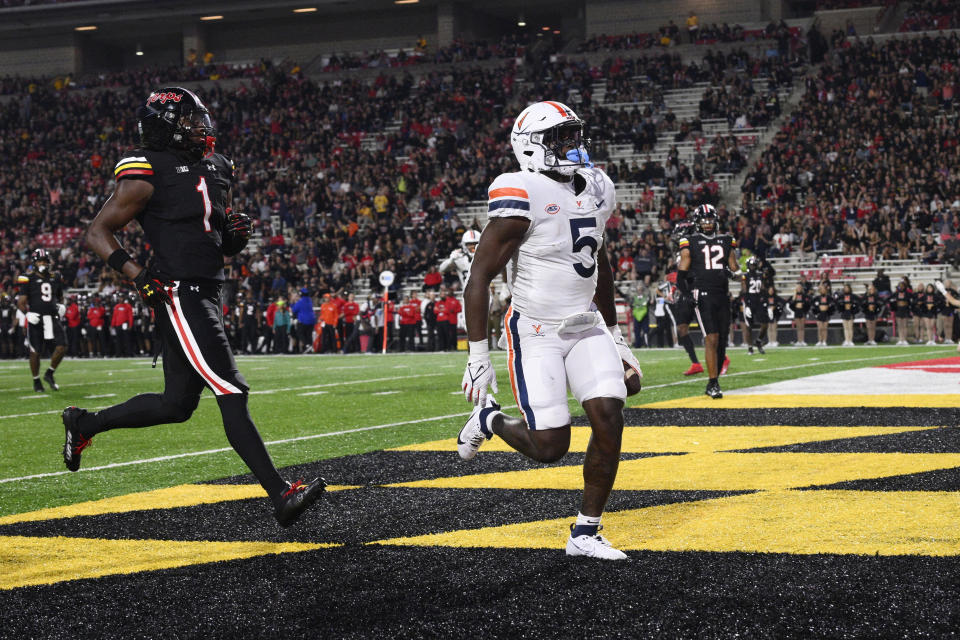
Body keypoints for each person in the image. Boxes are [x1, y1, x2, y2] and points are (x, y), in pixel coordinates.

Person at [63, 86, 325, 527]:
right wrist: (138, 275)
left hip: (204, 289)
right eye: (188, 119)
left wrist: (233, 240)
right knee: (231, 388)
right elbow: (97, 233)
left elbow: (213, 239)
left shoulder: (216, 166)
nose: (200, 127)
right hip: (179, 291)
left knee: (176, 405)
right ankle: (280, 494)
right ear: (166, 124)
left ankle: (84, 424)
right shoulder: (148, 167)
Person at [457, 100, 640, 560]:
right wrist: (478, 356)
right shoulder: (521, 192)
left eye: (574, 135)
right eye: (560, 138)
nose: (572, 146)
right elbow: (478, 276)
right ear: (530, 147)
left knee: (609, 416)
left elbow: (596, 260)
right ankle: (490, 419)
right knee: (550, 446)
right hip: (536, 329)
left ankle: (586, 532)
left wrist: (617, 336)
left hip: (587, 323)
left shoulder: (598, 186)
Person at [677, 204, 737, 399]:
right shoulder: (689, 241)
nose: (707, 224)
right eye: (704, 220)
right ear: (697, 222)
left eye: (710, 220)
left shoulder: (727, 239)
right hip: (702, 293)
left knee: (722, 342)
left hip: (722, 294)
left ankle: (714, 380)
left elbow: (734, 267)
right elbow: (682, 271)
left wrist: (735, 273)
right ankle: (713, 383)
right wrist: (686, 293)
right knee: (711, 338)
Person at [17, 248, 67, 392]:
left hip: (52, 318)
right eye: (40, 261)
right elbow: (21, 302)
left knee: (62, 346)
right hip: (36, 320)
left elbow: (60, 296)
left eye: (45, 261)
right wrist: (27, 314)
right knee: (35, 351)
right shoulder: (28, 278)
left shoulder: (55, 277)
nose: (43, 263)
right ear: (34, 262)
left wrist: (61, 306)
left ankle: (49, 373)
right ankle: (36, 380)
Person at [667, 221, 702, 374]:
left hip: (696, 290)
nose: (675, 238)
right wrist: (677, 288)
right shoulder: (681, 251)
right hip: (686, 292)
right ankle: (696, 363)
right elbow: (682, 275)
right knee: (682, 328)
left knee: (706, 328)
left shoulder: (695, 248)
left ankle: (723, 357)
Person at [740, 256, 768, 355]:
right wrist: (746, 304)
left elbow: (763, 288)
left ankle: (758, 341)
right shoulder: (745, 276)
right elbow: (744, 290)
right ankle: (750, 347)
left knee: (765, 324)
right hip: (750, 301)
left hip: (759, 301)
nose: (752, 267)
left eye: (754, 265)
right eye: (751, 265)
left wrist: (765, 302)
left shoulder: (761, 275)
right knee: (748, 326)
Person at [291, 287, 316, 353]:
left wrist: (293, 302)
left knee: (300, 333)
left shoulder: (300, 302)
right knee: (309, 335)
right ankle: (309, 348)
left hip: (304, 320)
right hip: (312, 320)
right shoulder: (309, 300)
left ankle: (307, 345)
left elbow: (294, 310)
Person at [892, 280, 913, 345]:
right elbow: (891, 299)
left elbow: (911, 299)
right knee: (899, 325)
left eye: (902, 286)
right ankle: (900, 339)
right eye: (899, 286)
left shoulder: (907, 293)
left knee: (905, 325)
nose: (901, 287)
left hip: (905, 310)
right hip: (898, 310)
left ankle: (904, 339)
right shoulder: (896, 293)